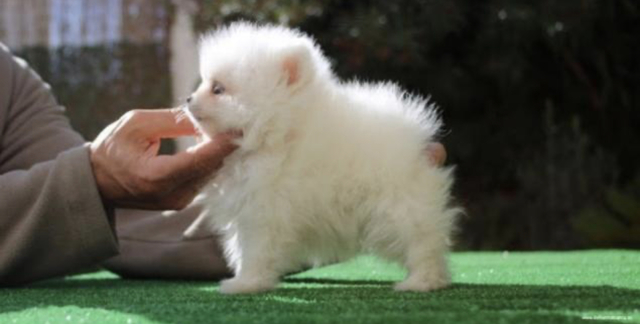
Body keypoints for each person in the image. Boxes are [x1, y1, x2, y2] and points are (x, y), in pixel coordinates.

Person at [0, 43, 446, 286]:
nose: (193, 99)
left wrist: (336, 219)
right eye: (204, 85)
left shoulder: (12, 82)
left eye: (217, 89)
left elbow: (110, 218)